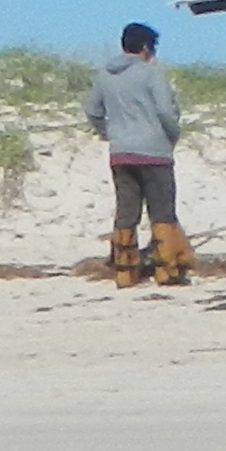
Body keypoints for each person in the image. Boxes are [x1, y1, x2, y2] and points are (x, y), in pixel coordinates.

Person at [83, 22, 193, 286]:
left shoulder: (104, 75)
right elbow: (166, 111)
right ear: (145, 47)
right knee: (162, 211)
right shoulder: (151, 73)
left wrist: (108, 132)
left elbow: (92, 110)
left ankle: (124, 273)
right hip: (154, 151)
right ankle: (168, 271)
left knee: (126, 212)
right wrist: (172, 135)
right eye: (152, 47)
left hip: (120, 152)